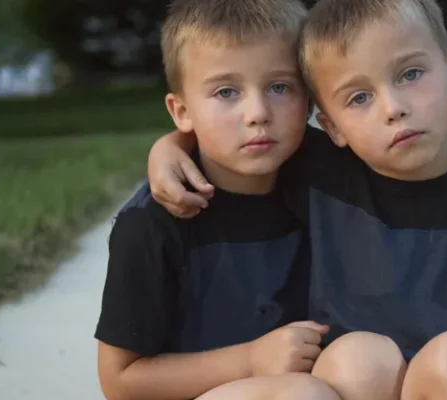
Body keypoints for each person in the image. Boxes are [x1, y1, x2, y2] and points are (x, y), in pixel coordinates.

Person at [145, 0, 447, 399]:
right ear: (332, 127)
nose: (394, 108)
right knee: (358, 356)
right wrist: (169, 146)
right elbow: (234, 139)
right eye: (359, 97)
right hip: (369, 383)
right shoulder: (319, 174)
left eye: (409, 74)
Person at [93, 0, 344, 399]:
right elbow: (120, 382)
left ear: (309, 100)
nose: (257, 113)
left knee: (363, 366)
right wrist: (250, 361)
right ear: (181, 111)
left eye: (279, 87)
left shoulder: (329, 175)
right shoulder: (151, 224)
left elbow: (404, 164)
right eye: (226, 92)